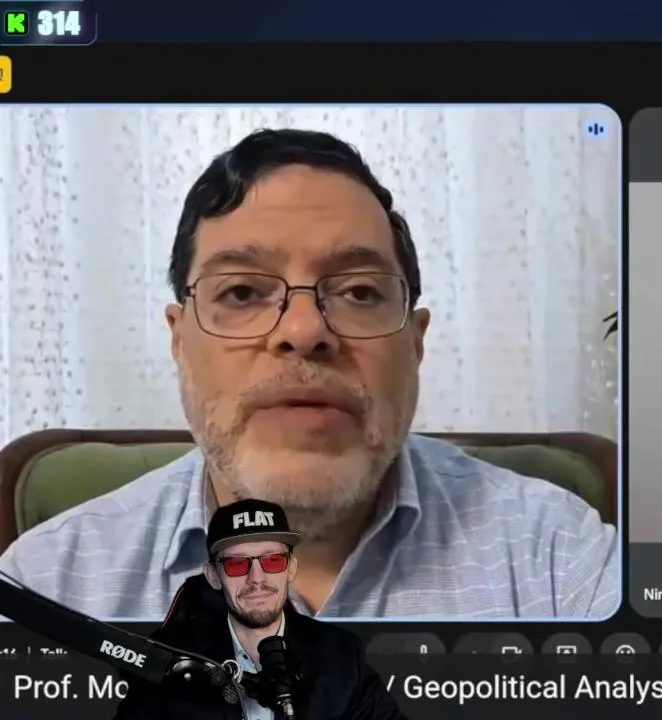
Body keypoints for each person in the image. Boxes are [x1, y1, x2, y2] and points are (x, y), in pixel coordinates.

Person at [0, 128, 619, 618]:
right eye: (242, 292)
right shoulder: (47, 585)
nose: (302, 331)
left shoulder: (562, 559)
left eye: (359, 292)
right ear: (179, 340)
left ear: (416, 342)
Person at [114, 499, 407, 720]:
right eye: (237, 564)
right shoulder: (171, 662)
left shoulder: (340, 655)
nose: (257, 579)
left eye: (272, 561)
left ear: (290, 568)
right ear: (213, 576)